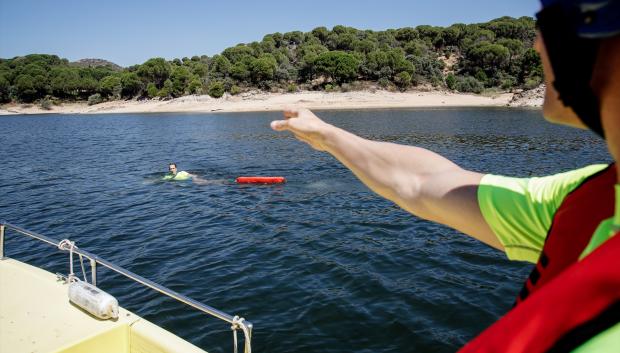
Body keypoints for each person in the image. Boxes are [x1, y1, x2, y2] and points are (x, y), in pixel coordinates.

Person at [271, 1, 620, 351]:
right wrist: (327, 135)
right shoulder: (589, 199)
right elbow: (421, 184)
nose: (536, 44)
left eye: (550, 19)